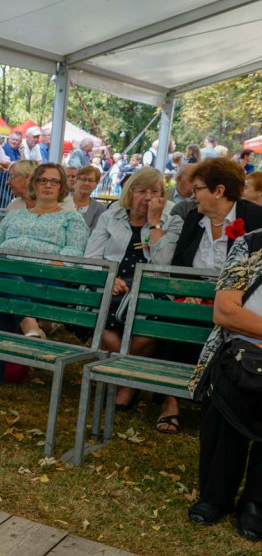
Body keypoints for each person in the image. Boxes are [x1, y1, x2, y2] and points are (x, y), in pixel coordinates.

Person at [0, 163, 88, 403]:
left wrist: (33, 268)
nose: (48, 186)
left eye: (54, 181)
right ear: (34, 184)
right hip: (4, 278)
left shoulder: (72, 219)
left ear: (62, 187)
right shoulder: (16, 215)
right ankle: (28, 322)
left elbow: (72, 258)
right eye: (43, 180)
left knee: (1, 294)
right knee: (3, 277)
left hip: (44, 280)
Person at [162, 158, 262, 434]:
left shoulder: (254, 218)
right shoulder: (194, 219)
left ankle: (216, 394)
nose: (192, 196)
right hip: (196, 297)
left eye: (197, 189)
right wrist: (190, 290)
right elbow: (180, 263)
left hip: (235, 301)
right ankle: (171, 402)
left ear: (218, 190)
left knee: (215, 321)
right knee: (176, 316)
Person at [84, 168, 183, 417]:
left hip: (151, 285)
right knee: (100, 321)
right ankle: (129, 379)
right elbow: (92, 257)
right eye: (142, 191)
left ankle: (122, 381)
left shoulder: (173, 219)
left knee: (149, 326)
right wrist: (110, 277)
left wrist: (155, 222)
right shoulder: (112, 215)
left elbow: (163, 264)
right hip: (113, 280)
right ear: (130, 193)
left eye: (155, 191)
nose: (149, 197)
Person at [186, 229, 262, 536]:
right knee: (230, 397)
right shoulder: (251, 243)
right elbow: (225, 311)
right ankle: (216, 496)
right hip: (238, 351)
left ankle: (257, 504)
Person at [72, 165, 107, 230]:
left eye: (90, 180)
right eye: (83, 179)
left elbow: (95, 234)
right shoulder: (62, 201)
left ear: (96, 185)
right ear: (75, 181)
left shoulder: (100, 209)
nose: (86, 183)